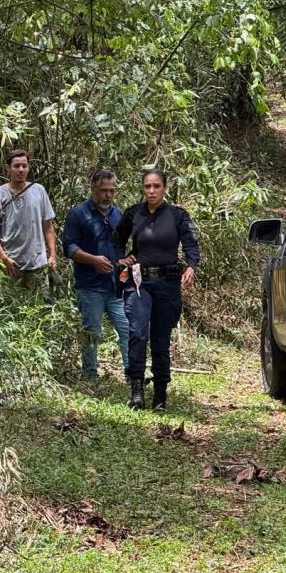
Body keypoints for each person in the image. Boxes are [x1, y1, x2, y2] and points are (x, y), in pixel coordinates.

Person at [115, 169, 199, 412]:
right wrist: (121, 258)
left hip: (167, 283)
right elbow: (116, 240)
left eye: (156, 186)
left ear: (164, 188)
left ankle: (160, 395)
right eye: (147, 186)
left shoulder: (177, 215)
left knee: (161, 339)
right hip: (139, 282)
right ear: (143, 188)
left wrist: (191, 266)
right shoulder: (133, 214)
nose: (151, 191)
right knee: (137, 333)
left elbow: (191, 243)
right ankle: (137, 391)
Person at [62, 169, 130, 380]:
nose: (108, 195)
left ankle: (133, 373)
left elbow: (121, 248)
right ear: (92, 188)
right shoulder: (78, 214)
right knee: (92, 332)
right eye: (103, 190)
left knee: (127, 329)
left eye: (111, 191)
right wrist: (93, 260)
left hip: (115, 286)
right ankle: (90, 375)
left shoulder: (117, 214)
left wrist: (125, 267)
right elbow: (69, 248)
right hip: (90, 285)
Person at [0, 148, 57, 301]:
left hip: (37, 263)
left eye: (24, 166)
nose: (21, 170)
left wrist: (52, 255)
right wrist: (3, 257)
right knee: (10, 307)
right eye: (16, 166)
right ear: (8, 168)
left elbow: (48, 225)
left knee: (40, 307)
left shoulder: (39, 191)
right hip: (11, 264)